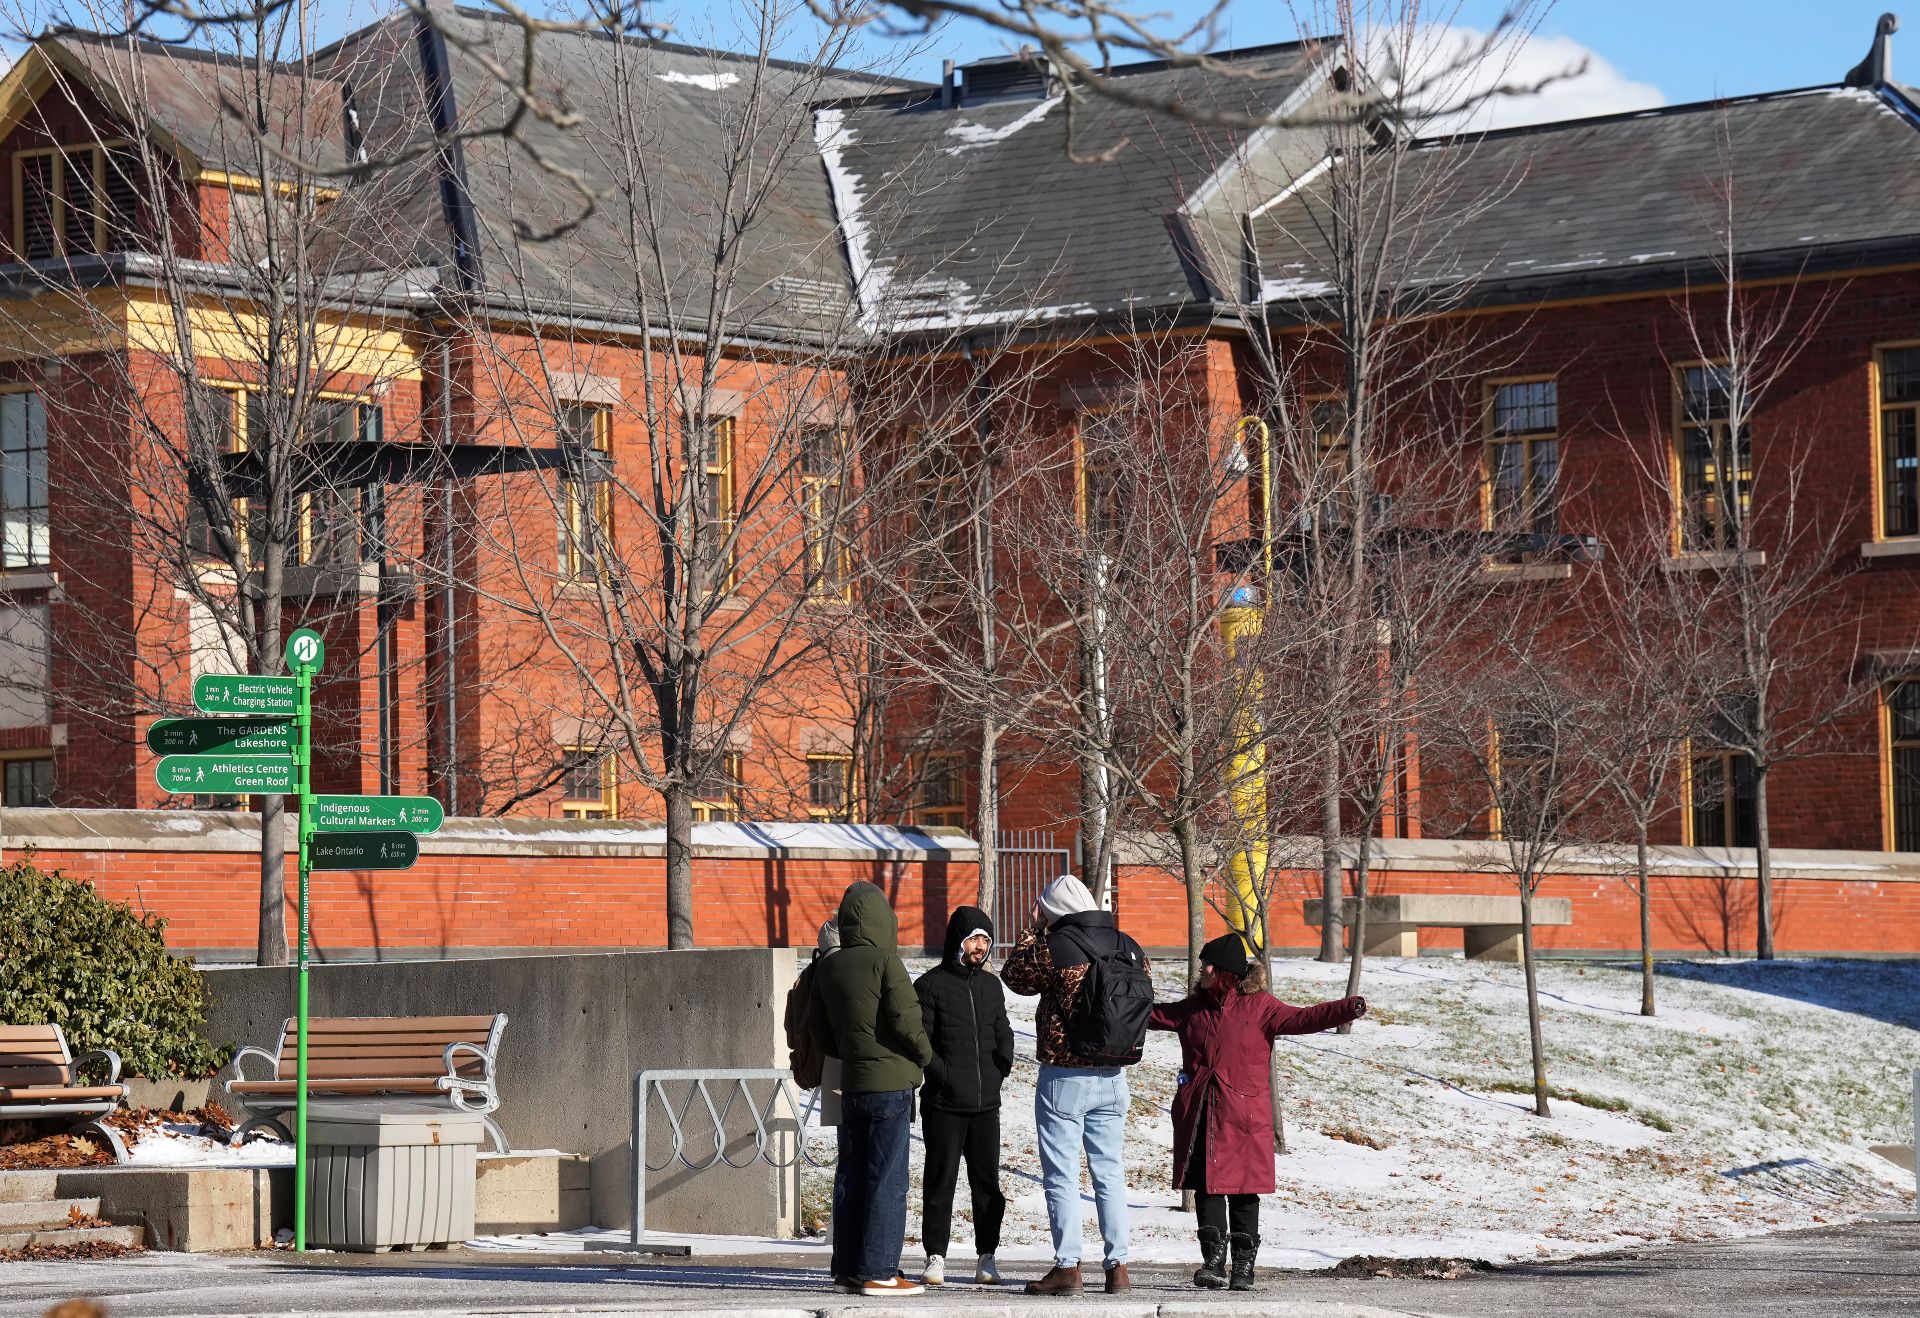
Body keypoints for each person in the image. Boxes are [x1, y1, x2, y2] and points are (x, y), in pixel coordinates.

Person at [1148, 933, 1367, 1292]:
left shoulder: (1262, 1006)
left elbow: (1305, 1018)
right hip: (1202, 1110)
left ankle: (1244, 1268)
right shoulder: (1192, 1009)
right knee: (1206, 1186)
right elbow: (1149, 1014)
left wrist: (1348, 1008)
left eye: (1208, 963)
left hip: (1245, 1115)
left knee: (1245, 1190)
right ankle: (1214, 1264)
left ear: (1227, 971)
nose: (1202, 968)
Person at [1001, 874, 1147, 1297]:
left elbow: (1014, 975)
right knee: (1110, 1173)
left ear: (1053, 910)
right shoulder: (1128, 944)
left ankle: (1068, 1267)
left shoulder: (1055, 947)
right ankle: (1118, 1266)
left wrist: (1033, 929)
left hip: (1065, 1077)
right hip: (1114, 1074)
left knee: (1062, 1175)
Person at [808, 881, 934, 1297]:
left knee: (851, 1176)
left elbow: (820, 1032)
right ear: (884, 919)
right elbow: (906, 1020)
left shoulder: (828, 967)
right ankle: (880, 1271)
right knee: (887, 1179)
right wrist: (923, 1056)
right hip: (891, 1085)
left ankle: (847, 1268)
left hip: (853, 1084)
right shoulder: (886, 961)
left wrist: (852, 1051)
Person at [913, 905, 1013, 1287]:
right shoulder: (930, 985)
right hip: (943, 1104)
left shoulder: (991, 985)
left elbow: (1003, 1031)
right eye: (974, 938)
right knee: (940, 1180)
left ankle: (987, 1257)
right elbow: (922, 1042)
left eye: (985, 940)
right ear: (958, 940)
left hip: (986, 1104)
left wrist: (1000, 1068)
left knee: (987, 1184)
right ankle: (935, 1256)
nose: (980, 947)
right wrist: (943, 1075)